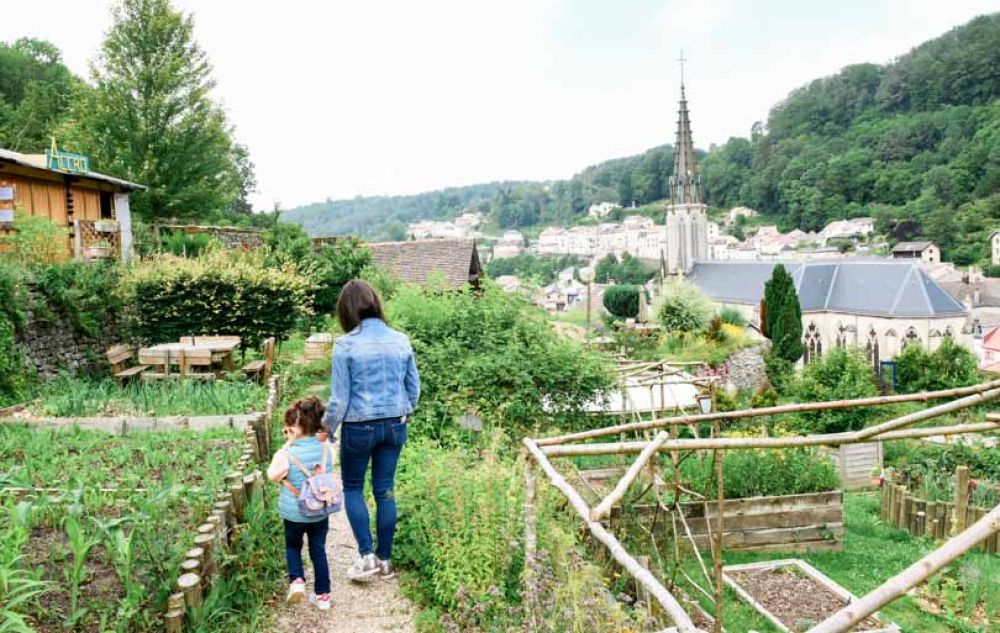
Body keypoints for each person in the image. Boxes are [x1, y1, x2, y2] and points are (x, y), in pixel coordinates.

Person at [323, 279, 420, 583]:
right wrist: (402, 412)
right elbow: (413, 389)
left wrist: (325, 429)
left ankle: (367, 558)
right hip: (395, 424)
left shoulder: (345, 345)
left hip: (359, 427)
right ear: (375, 303)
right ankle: (387, 562)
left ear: (346, 311)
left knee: (353, 487)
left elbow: (339, 399)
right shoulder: (401, 339)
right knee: (385, 489)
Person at [267, 396, 335, 610]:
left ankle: (297, 581)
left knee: (293, 546)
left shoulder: (286, 453)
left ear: (294, 429)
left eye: (287, 429)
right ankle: (323, 596)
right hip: (319, 511)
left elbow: (272, 475)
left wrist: (286, 445)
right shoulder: (326, 450)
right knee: (318, 550)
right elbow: (328, 475)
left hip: (294, 513)